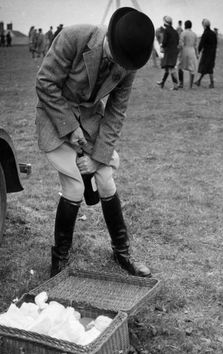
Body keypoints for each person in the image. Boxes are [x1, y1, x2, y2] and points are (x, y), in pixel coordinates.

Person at [35, 7, 155, 278]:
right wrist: (71, 128)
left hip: (90, 121)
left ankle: (122, 252)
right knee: (75, 187)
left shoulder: (129, 60)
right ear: (110, 38)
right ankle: (60, 262)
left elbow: (116, 112)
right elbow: (44, 84)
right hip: (54, 115)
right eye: (118, 57)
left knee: (105, 180)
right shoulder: (73, 38)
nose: (121, 67)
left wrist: (98, 157)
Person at [157, 16, 179, 90]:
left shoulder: (166, 30)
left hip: (169, 51)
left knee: (171, 68)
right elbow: (177, 42)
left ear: (165, 22)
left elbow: (165, 41)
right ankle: (162, 82)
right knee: (167, 67)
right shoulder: (175, 31)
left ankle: (175, 86)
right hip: (174, 51)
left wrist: (161, 46)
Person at [194, 19, 217, 88]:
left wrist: (198, 52)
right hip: (212, 53)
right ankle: (199, 81)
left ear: (204, 25)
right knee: (208, 67)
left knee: (206, 68)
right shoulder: (213, 33)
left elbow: (201, 44)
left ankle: (211, 83)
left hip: (206, 53)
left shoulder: (205, 33)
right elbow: (215, 43)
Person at [178, 20, 198, 89]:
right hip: (192, 51)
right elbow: (195, 45)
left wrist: (179, 52)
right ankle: (191, 86)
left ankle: (181, 83)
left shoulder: (183, 33)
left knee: (180, 66)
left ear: (185, 25)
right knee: (192, 69)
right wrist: (197, 54)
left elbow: (181, 44)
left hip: (185, 50)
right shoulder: (194, 34)